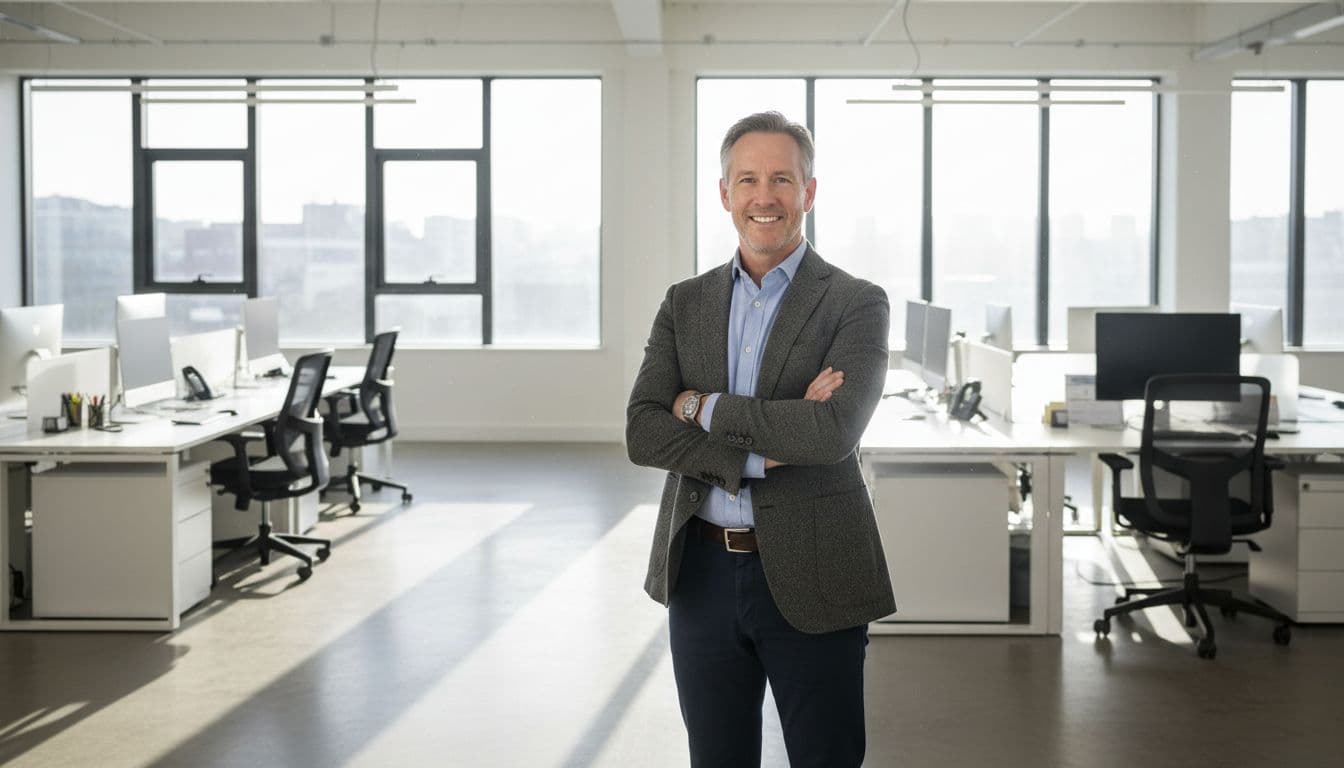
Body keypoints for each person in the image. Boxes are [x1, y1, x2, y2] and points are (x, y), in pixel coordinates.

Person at [625, 111, 895, 768]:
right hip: (703, 574)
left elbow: (831, 432)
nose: (764, 196)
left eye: (781, 178)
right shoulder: (683, 303)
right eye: (747, 179)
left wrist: (702, 406)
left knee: (825, 756)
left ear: (809, 190)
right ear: (725, 193)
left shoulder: (857, 303)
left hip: (816, 567)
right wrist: (766, 444)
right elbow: (642, 430)